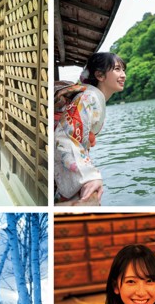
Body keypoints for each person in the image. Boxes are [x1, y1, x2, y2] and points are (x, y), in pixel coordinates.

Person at [54, 52, 126, 205]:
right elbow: (66, 137)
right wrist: (89, 175)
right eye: (118, 69)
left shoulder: (92, 96)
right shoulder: (89, 97)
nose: (123, 75)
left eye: (123, 70)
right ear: (100, 75)